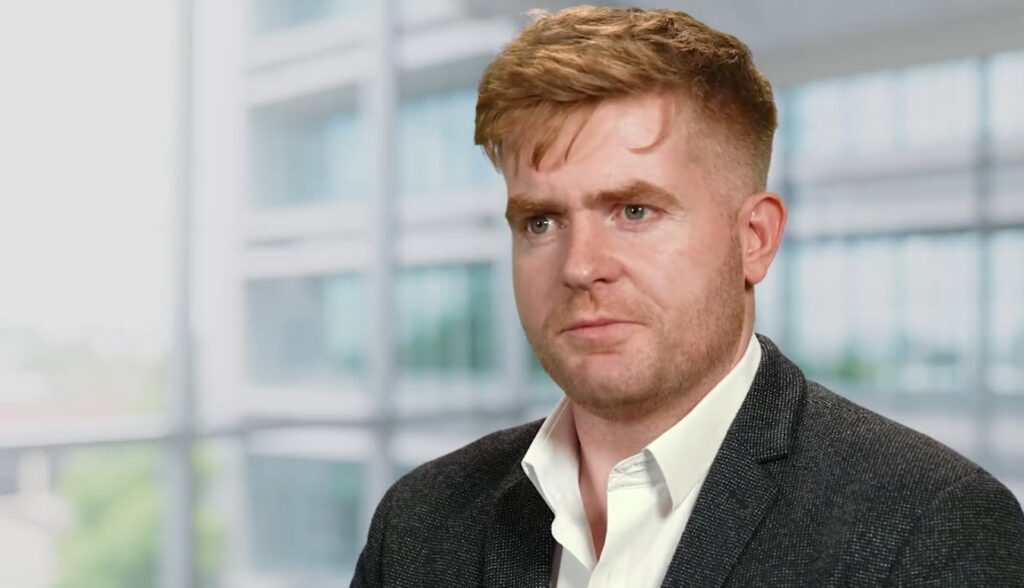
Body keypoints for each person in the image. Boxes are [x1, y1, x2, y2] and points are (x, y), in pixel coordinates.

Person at [351, 6, 1024, 587]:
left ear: (754, 238)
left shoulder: (930, 530)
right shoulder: (420, 521)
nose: (581, 266)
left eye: (635, 211)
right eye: (541, 221)